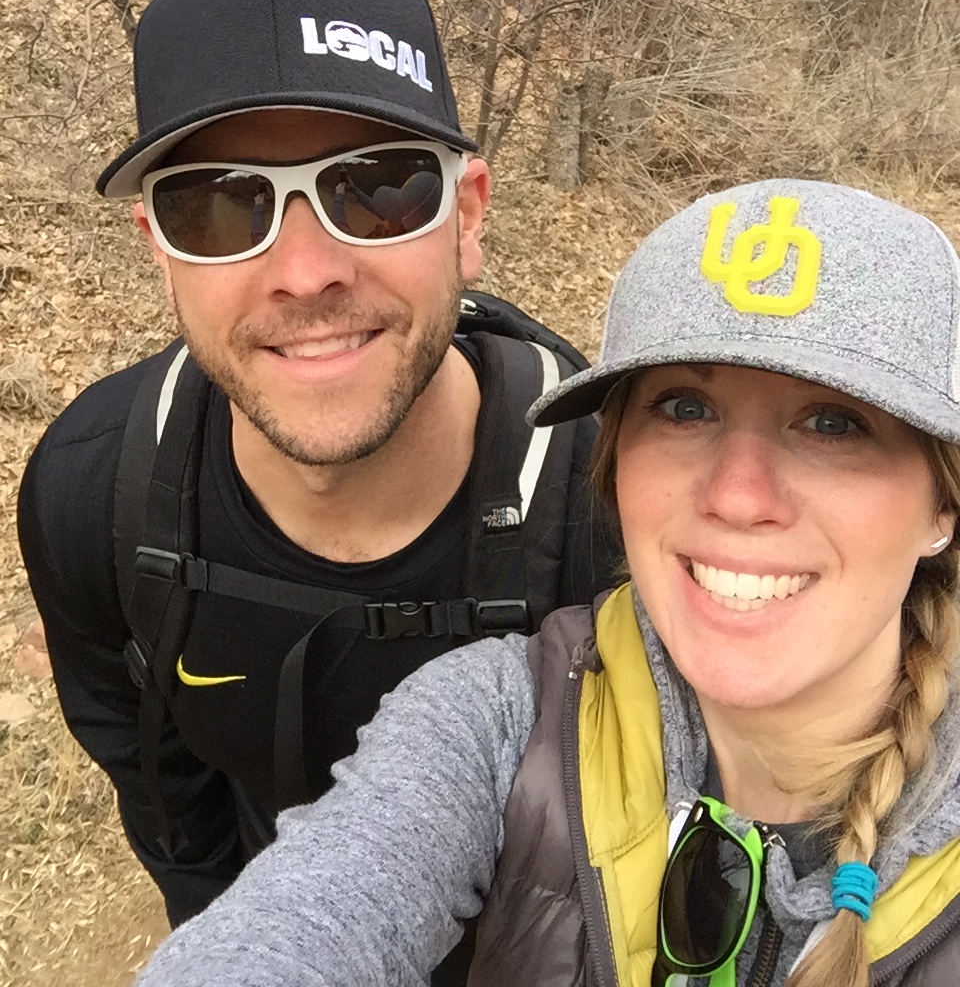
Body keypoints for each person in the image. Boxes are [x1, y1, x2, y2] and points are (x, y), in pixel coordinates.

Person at [133, 178, 960, 987]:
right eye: (683, 409)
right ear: (615, 470)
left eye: (832, 422)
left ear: (942, 509)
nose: (738, 496)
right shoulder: (500, 723)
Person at [16, 0, 621, 985]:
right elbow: (154, 776)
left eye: (375, 187)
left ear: (467, 216)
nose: (304, 271)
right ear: (160, 244)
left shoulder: (614, 508)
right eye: (219, 203)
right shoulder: (92, 492)